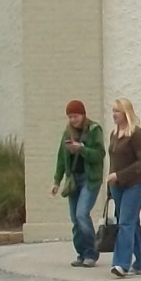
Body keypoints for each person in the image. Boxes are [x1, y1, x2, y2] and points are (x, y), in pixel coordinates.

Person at [48, 99, 105, 268]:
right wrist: (56, 181)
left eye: (76, 116)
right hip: (73, 179)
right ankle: (81, 253)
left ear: (83, 115)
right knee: (75, 218)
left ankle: (91, 253)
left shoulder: (94, 130)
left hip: (90, 178)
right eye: (70, 117)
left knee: (82, 214)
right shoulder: (68, 132)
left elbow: (99, 154)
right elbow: (61, 157)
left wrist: (81, 149)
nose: (73, 120)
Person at [105, 98, 141, 276]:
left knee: (125, 222)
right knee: (132, 222)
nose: (114, 114)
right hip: (118, 186)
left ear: (126, 113)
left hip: (137, 184)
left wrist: (120, 175)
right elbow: (114, 161)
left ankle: (121, 264)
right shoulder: (114, 134)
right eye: (113, 111)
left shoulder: (137, 134)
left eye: (117, 111)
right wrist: (111, 183)